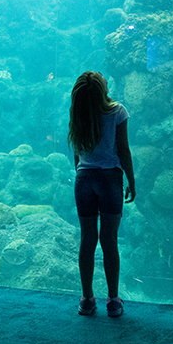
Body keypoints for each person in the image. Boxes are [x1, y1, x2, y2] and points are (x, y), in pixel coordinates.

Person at [68, 71, 136, 317]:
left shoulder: (78, 112)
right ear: (102, 88)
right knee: (110, 241)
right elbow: (123, 149)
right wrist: (131, 179)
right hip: (109, 179)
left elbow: (76, 152)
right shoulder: (117, 111)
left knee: (87, 240)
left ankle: (87, 299)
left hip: (84, 178)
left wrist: (81, 171)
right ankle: (113, 300)